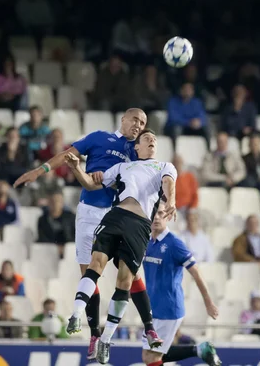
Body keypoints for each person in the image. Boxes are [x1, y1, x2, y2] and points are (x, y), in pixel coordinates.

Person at [13, 108, 155, 360]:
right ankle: (94, 334)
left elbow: (150, 175)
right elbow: (68, 155)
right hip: (89, 211)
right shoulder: (99, 138)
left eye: (142, 123)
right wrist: (39, 171)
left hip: (118, 214)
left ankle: (149, 328)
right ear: (123, 119)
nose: (138, 125)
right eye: (135, 119)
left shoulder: (138, 151)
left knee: (130, 275)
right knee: (88, 272)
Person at [64, 129, 177, 363]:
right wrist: (76, 167)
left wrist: (172, 202)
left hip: (139, 225)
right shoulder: (122, 168)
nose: (152, 141)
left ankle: (106, 338)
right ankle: (75, 314)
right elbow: (91, 184)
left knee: (125, 280)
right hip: (115, 216)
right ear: (136, 147)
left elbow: (168, 183)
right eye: (147, 139)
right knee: (95, 265)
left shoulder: (165, 166)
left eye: (154, 139)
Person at [141, 205, 221, 366]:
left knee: (152, 357)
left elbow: (196, 272)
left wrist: (208, 303)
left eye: (161, 214)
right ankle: (199, 350)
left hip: (169, 309)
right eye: (153, 214)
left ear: (168, 217)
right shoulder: (147, 241)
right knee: (150, 355)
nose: (156, 217)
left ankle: (198, 350)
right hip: (153, 308)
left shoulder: (174, 244)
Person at [37, 190, 75, 256]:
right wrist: (55, 248)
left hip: (67, 251)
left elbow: (75, 236)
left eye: (58, 201)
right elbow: (42, 238)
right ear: (48, 203)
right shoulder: (42, 219)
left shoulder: (71, 217)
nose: (55, 203)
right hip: (49, 252)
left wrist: (65, 248)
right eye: (52, 201)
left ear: (62, 202)